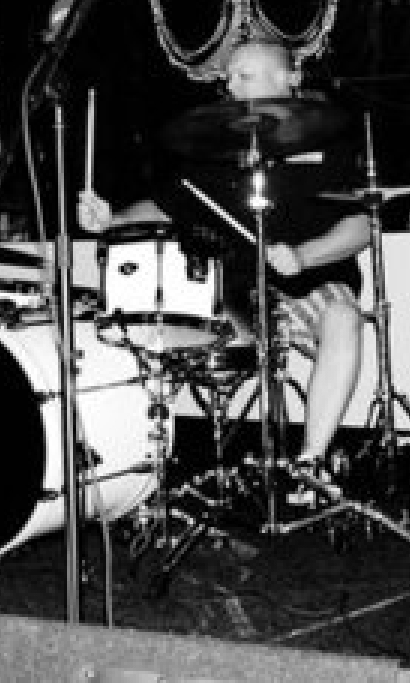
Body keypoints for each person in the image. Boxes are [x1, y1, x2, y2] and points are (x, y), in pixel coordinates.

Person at [77, 39, 368, 492]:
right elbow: (166, 207)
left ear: (289, 79)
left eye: (243, 76)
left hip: (311, 283)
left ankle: (310, 463)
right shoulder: (213, 148)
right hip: (234, 293)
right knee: (147, 331)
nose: (230, 86)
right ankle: (140, 474)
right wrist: (111, 220)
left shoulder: (330, 141)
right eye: (229, 77)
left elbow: (362, 225)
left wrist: (303, 256)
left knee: (344, 316)